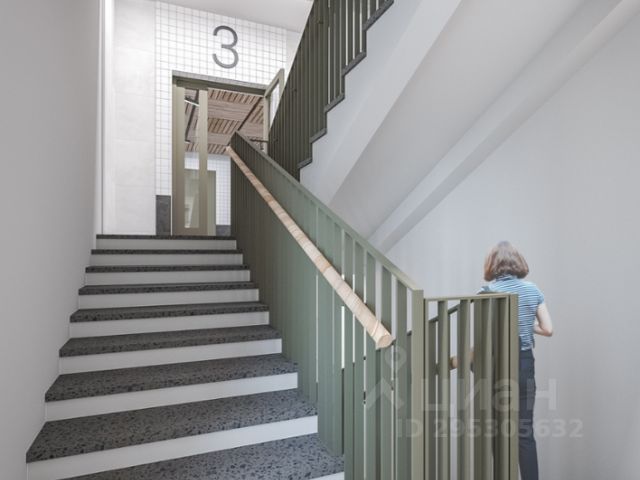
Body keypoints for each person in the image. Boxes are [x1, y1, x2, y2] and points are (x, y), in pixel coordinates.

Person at [481, 241, 553, 480]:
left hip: (497, 365)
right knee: (524, 432)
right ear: (517, 262)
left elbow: (484, 337)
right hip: (524, 364)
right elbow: (548, 329)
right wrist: (525, 324)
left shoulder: (486, 292)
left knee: (498, 431)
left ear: (492, 264)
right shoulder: (533, 290)